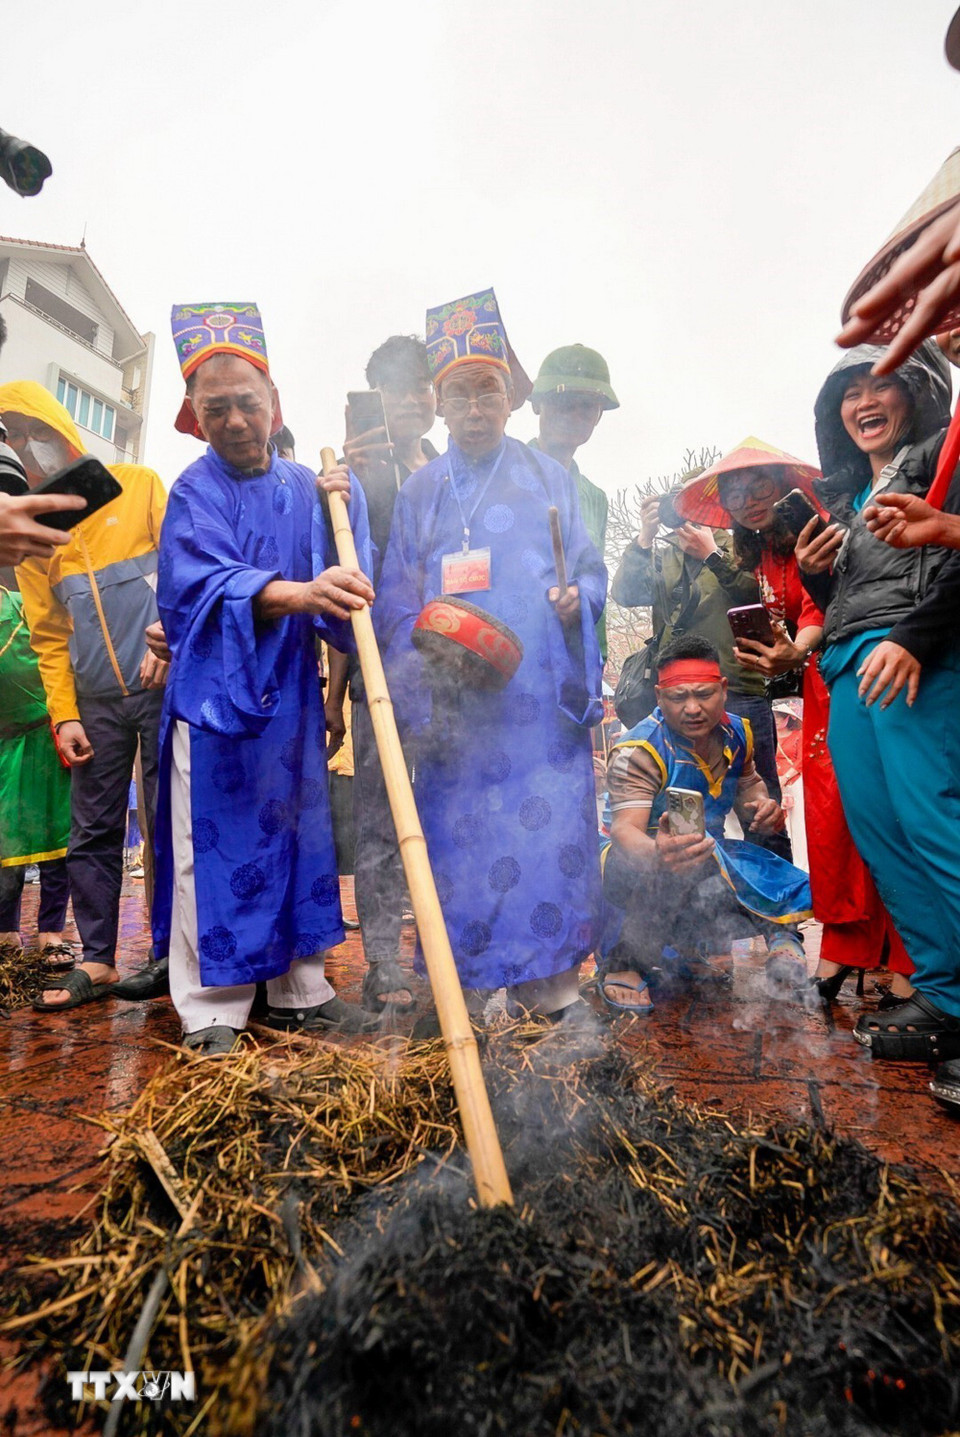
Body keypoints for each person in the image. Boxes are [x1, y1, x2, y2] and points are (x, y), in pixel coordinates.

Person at [376, 287, 606, 1024]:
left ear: (511, 399)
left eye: (489, 390)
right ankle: (466, 996)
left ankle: (553, 993)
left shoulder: (548, 478)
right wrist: (426, 666)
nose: (475, 407)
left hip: (537, 706)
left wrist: (576, 604)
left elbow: (591, 574)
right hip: (456, 712)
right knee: (461, 849)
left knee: (544, 846)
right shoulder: (420, 491)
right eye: (460, 393)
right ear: (439, 405)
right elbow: (395, 593)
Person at [151, 302, 377, 1054]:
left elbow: (347, 584)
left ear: (274, 402)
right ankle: (213, 1008)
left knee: (299, 838)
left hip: (293, 704)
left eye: (248, 403)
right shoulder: (193, 491)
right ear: (194, 415)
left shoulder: (307, 488)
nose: (236, 421)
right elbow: (200, 588)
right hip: (218, 708)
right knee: (211, 851)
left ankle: (299, 989)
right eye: (216, 408)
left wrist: (348, 505)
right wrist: (298, 593)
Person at [674, 439, 912, 1002]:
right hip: (818, 683)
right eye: (734, 492)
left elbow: (819, 605)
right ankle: (846, 942)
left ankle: (906, 955)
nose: (748, 500)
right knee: (833, 817)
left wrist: (799, 648)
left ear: (786, 484)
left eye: (758, 485)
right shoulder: (759, 552)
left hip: (861, 669)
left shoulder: (819, 526)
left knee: (886, 811)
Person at [797, 340, 960, 1061]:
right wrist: (816, 576)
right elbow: (852, 597)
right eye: (850, 391)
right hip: (849, 665)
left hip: (913, 654)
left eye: (882, 384)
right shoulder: (846, 496)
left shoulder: (944, 457)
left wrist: (917, 639)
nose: (864, 401)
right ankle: (946, 991)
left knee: (932, 820)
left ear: (916, 392)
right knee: (881, 830)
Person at [0, 382, 168, 1013]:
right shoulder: (35, 534)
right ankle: (98, 959)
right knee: (91, 832)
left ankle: (169, 952)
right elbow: (47, 634)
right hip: (94, 702)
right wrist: (65, 714)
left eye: (32, 429)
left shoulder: (138, 485)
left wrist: (172, 635)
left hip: (161, 686)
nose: (26, 445)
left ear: (59, 425)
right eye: (11, 436)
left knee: (168, 822)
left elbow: (185, 571)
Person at [598, 635, 811, 1014]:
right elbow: (624, 831)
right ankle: (626, 963)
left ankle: (782, 937)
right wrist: (659, 851)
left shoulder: (738, 733)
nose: (693, 708)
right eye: (678, 697)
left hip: (704, 853)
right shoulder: (638, 750)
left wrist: (763, 807)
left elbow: (750, 785)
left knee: (766, 833)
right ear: (660, 696)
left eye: (704, 694)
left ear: (724, 690)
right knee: (678, 860)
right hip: (630, 864)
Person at [325, 335, 438, 1013]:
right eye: (395, 387)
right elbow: (346, 591)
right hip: (381, 670)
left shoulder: (453, 471)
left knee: (446, 810)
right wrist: (337, 693)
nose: (412, 398)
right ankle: (384, 961)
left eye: (422, 384)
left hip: (454, 674)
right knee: (379, 815)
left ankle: (448, 948)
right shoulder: (355, 477)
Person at [611, 466, 790, 860]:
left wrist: (712, 555)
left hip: (738, 684)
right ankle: (693, 881)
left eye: (694, 503)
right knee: (682, 808)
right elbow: (626, 593)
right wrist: (644, 537)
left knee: (761, 806)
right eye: (679, 504)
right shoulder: (665, 555)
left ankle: (775, 889)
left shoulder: (741, 544)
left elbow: (763, 594)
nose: (686, 513)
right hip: (678, 693)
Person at [528, 344, 617, 661]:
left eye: (587, 406)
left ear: (599, 415)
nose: (574, 415)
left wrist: (597, 657)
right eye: (563, 402)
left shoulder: (595, 498)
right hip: (517, 653)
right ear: (538, 404)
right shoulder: (504, 475)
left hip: (577, 656)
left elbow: (594, 576)